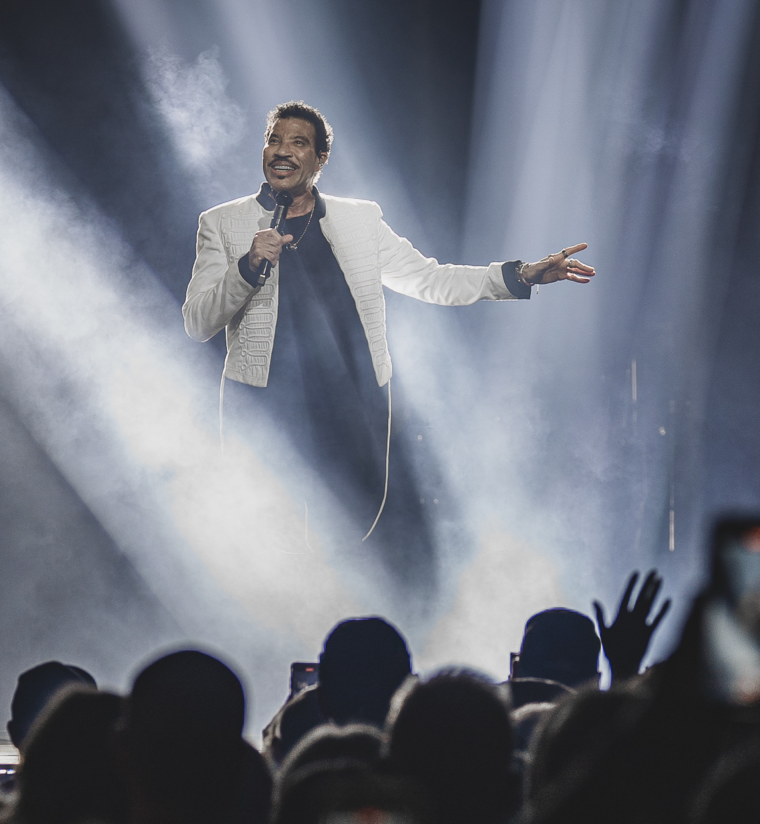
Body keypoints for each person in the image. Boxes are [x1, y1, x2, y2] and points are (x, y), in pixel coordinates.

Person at [183, 101, 593, 567]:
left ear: (320, 160)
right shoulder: (222, 223)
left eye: (298, 143)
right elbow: (198, 323)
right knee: (264, 558)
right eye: (274, 140)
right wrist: (248, 265)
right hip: (263, 413)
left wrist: (522, 275)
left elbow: (430, 279)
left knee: (351, 558)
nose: (282, 152)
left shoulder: (359, 220)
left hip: (355, 413)